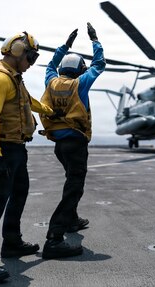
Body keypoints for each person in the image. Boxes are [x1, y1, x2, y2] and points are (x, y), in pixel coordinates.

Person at [0, 31, 54, 283]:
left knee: (19, 193)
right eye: (31, 57)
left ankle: (12, 242)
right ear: (18, 52)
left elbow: (27, 101)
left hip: (17, 148)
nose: (32, 62)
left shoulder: (14, 78)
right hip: (3, 150)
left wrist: (50, 110)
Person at [39, 22, 105, 259]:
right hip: (76, 144)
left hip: (59, 145)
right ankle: (55, 237)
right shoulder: (80, 84)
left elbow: (50, 65)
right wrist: (95, 40)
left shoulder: (51, 82)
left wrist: (65, 46)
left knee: (71, 182)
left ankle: (72, 220)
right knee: (74, 188)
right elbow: (99, 64)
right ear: (79, 70)